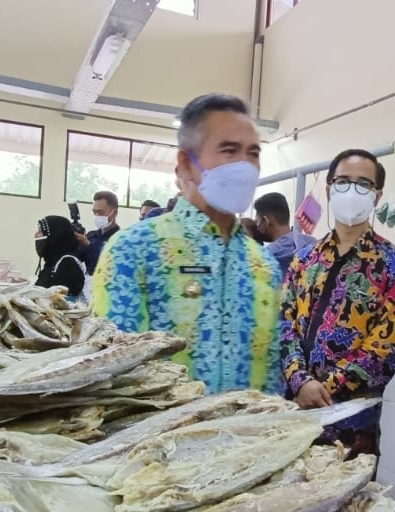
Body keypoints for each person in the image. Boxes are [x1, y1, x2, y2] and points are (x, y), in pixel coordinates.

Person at [93, 93, 281, 393]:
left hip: (251, 435)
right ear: (185, 163)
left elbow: (271, 371)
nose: (245, 166)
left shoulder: (264, 265)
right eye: (229, 151)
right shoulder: (133, 251)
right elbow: (113, 371)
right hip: (159, 438)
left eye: (253, 153)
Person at [280, 150, 395, 466]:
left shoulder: (394, 265)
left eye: (363, 184)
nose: (352, 190)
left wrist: (321, 390)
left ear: (377, 196)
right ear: (329, 189)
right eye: (343, 182)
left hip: (351, 426)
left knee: (345, 511)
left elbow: (385, 350)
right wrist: (300, 381)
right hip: (293, 416)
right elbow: (284, 325)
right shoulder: (305, 259)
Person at [252, 191, 316, 276]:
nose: (257, 227)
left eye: (257, 222)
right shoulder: (313, 244)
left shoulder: (264, 256)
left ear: (266, 220)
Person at [34, 215, 87, 298]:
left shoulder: (67, 264)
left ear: (55, 236)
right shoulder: (52, 262)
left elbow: (58, 302)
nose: (36, 235)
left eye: (40, 231)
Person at [76, 190, 119, 275]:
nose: (97, 215)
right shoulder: (91, 235)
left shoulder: (120, 239)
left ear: (114, 213)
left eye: (101, 212)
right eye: (94, 212)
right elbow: (77, 259)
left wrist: (88, 245)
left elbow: (108, 264)